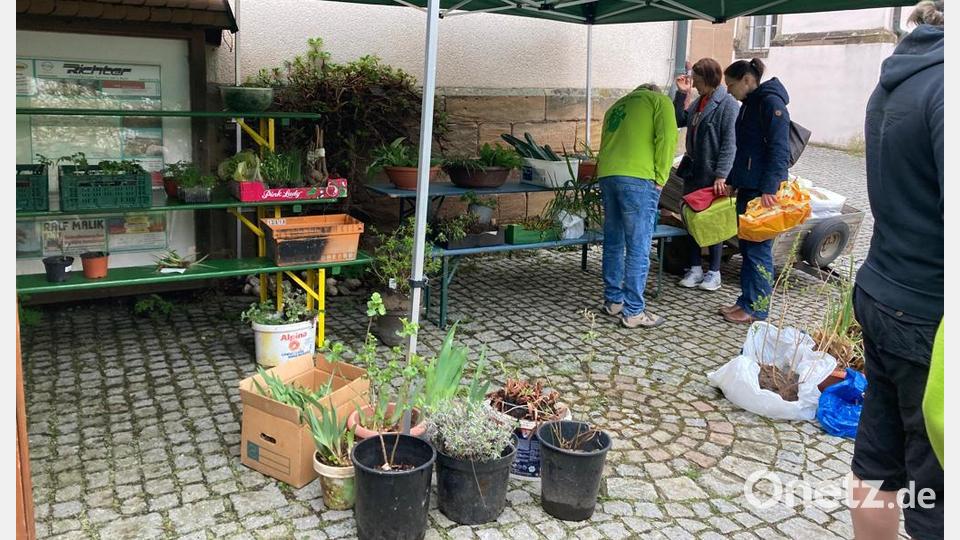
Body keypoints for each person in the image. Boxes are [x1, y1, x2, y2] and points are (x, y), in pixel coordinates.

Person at [849, 2, 943, 539]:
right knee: (939, 489)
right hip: (930, 314)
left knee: (879, 462)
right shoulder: (946, 86)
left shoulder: (896, 79)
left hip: (884, 288)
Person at [596, 83, 677, 328]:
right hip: (638, 178)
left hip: (608, 175)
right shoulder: (658, 101)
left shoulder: (615, 107)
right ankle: (633, 311)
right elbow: (667, 138)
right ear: (653, 91)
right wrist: (662, 177)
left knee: (614, 240)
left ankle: (613, 301)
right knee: (639, 245)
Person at [717, 58, 791, 324]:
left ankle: (757, 307)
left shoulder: (771, 103)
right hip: (748, 187)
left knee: (758, 250)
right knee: (747, 248)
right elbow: (746, 150)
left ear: (748, 80)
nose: (728, 91)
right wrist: (734, 180)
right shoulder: (749, 104)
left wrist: (770, 187)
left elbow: (779, 149)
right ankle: (745, 301)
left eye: (731, 84)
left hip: (762, 192)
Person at [673, 58, 738, 291]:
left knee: (712, 221)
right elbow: (679, 119)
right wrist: (682, 94)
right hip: (693, 169)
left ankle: (714, 271)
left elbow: (731, 143)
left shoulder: (728, 104)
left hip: (712, 173)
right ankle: (694, 267)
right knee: (691, 218)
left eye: (698, 81)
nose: (696, 85)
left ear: (709, 79)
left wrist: (722, 175)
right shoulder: (699, 101)